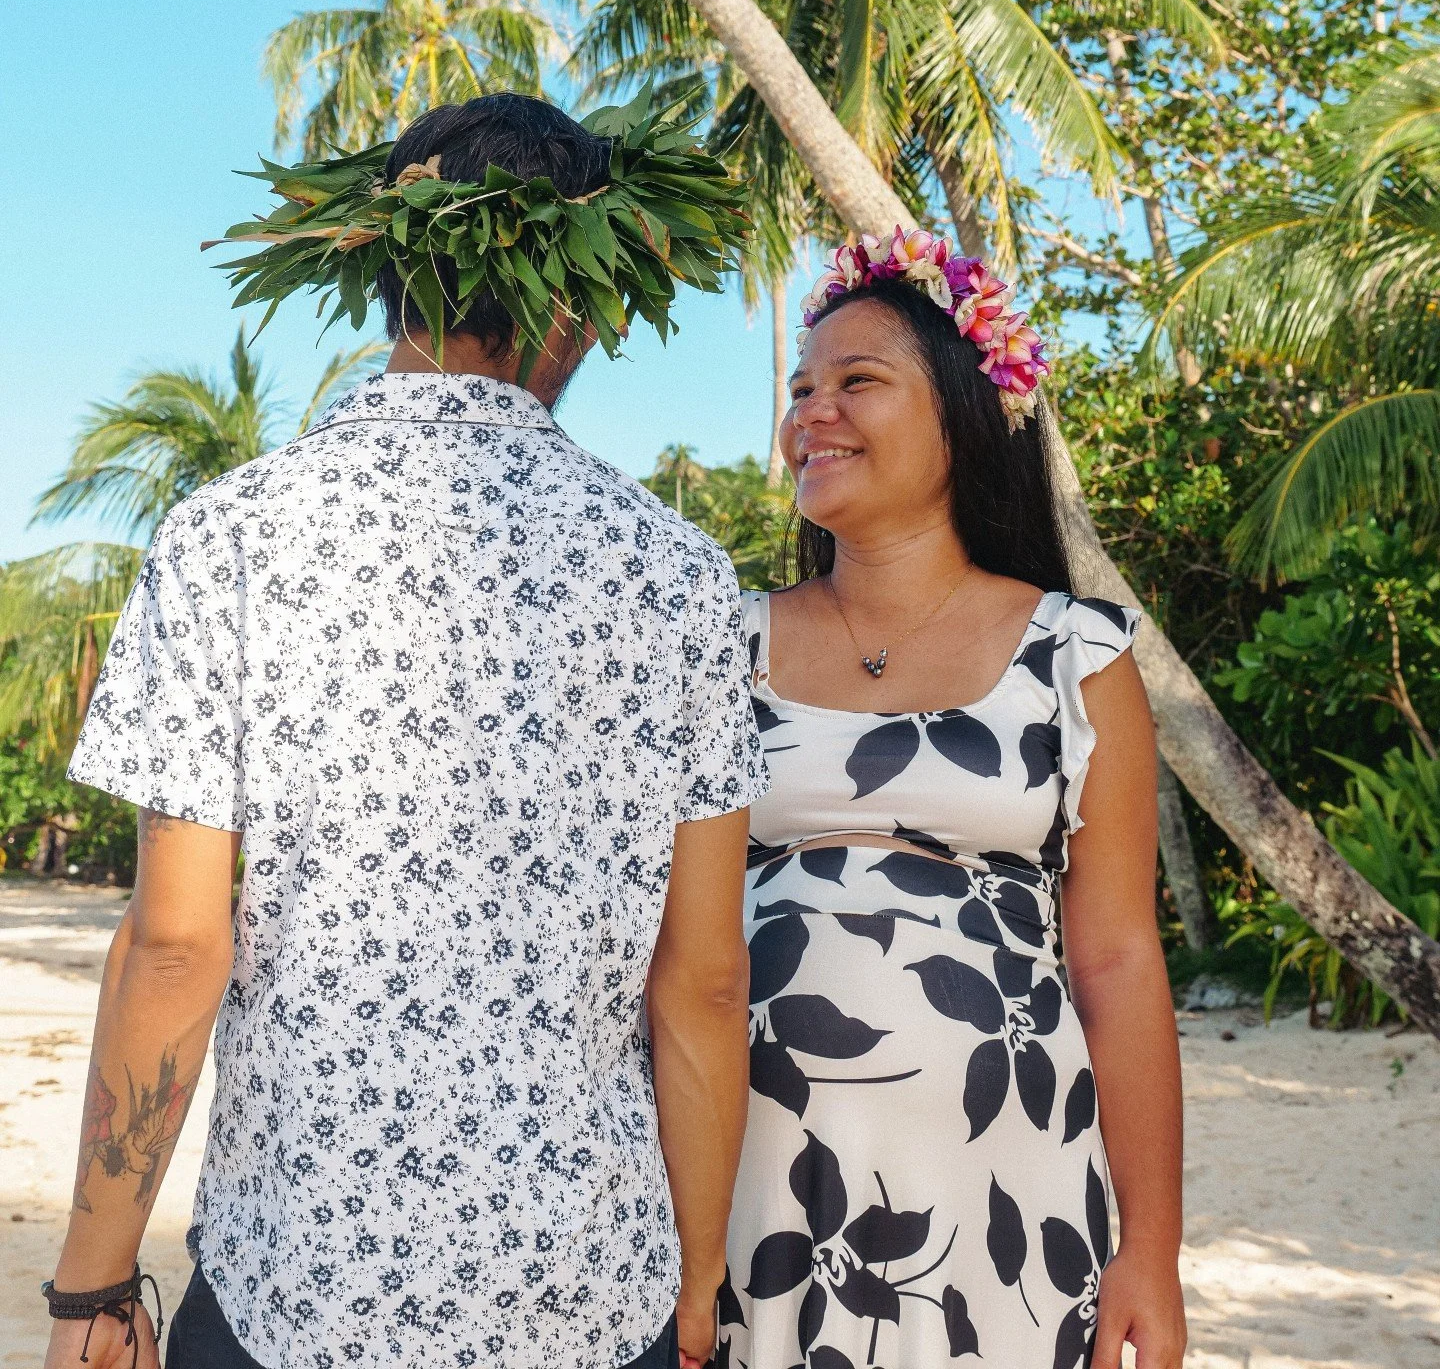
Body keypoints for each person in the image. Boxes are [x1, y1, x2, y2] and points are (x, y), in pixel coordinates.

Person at [43, 95, 767, 1369]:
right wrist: (697, 1278)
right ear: (580, 297)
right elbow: (701, 984)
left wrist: (91, 1292)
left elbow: (174, 949)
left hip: (299, 1292)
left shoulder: (232, 537)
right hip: (590, 1287)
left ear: (385, 266)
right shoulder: (681, 574)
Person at [720, 231, 1186, 1369]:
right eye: (800, 390)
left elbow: (1118, 961)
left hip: (1008, 1177)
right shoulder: (717, 644)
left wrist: (1153, 1255)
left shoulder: (1078, 658)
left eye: (856, 382)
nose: (811, 414)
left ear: (963, 416)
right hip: (747, 1190)